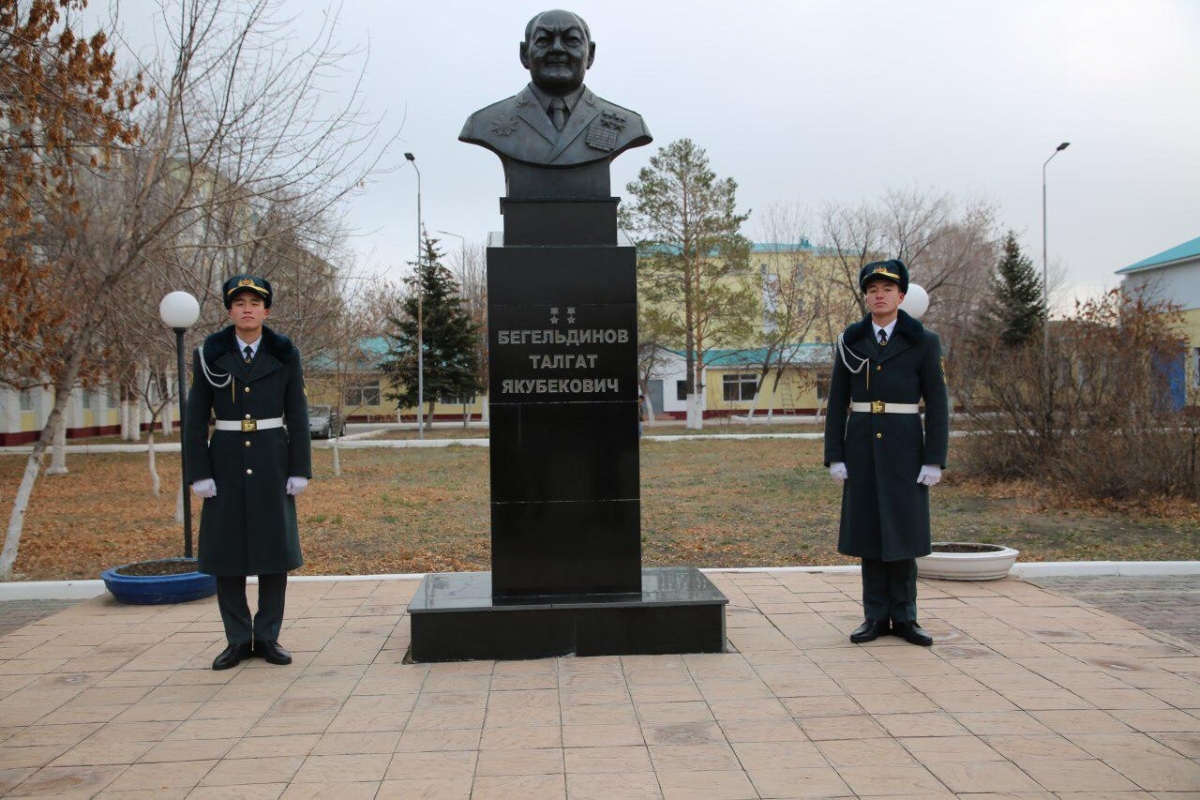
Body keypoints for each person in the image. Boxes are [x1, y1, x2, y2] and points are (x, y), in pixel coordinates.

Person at [185, 275, 311, 670]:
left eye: (254, 303)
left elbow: (297, 413)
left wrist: (300, 467)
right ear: (229, 310)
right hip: (225, 460)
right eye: (239, 302)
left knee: (275, 554)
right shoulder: (210, 353)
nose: (247, 308)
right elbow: (194, 419)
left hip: (272, 459)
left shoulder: (284, 352)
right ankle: (238, 639)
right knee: (227, 556)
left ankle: (268, 637)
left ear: (266, 310)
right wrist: (198, 471)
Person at [823, 259, 949, 647]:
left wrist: (934, 458)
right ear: (866, 296)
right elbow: (838, 400)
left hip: (905, 448)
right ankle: (875, 615)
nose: (879, 295)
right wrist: (835, 454)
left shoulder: (923, 340)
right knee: (870, 534)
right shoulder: (851, 340)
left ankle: (906, 617)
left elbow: (938, 403)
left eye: (887, 289)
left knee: (904, 533)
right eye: (872, 289)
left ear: (901, 296)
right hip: (861, 447)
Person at [459, 9, 651, 197]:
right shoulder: (484, 122)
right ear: (524, 54)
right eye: (544, 40)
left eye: (572, 40)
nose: (557, 48)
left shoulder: (629, 124)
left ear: (590, 54)